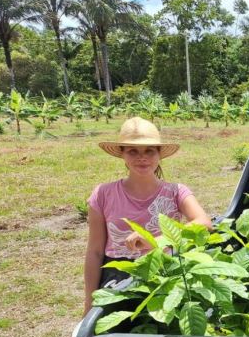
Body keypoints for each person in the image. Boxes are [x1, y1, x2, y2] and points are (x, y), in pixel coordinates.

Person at [84, 117, 212, 314]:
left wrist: (156, 241)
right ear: (122, 154)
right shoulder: (102, 194)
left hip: (167, 271)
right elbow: (95, 252)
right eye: (133, 151)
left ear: (159, 154)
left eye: (149, 151)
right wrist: (88, 304)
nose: (141, 157)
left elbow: (204, 223)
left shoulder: (176, 192)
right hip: (118, 276)